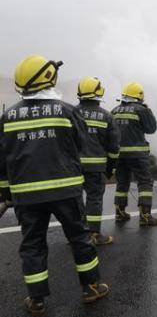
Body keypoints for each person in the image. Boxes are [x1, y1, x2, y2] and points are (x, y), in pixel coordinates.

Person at [0, 55, 109, 315]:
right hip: (66, 191)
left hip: (26, 196)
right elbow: (81, 144)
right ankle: (91, 288)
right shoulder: (67, 111)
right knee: (80, 238)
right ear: (48, 78)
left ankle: (36, 300)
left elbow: (2, 163)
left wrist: (6, 192)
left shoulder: (7, 118)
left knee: (33, 244)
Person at [76, 76, 120, 245]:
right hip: (95, 168)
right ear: (99, 93)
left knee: (75, 200)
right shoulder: (106, 117)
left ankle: (78, 235)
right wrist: (111, 169)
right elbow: (114, 148)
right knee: (94, 199)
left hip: (73, 167)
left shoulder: (69, 112)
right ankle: (94, 235)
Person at [111, 82, 157, 226]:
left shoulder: (114, 110)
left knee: (122, 183)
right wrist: (148, 111)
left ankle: (119, 213)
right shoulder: (141, 110)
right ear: (139, 96)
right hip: (137, 155)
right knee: (145, 182)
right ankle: (145, 216)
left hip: (119, 155)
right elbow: (151, 129)